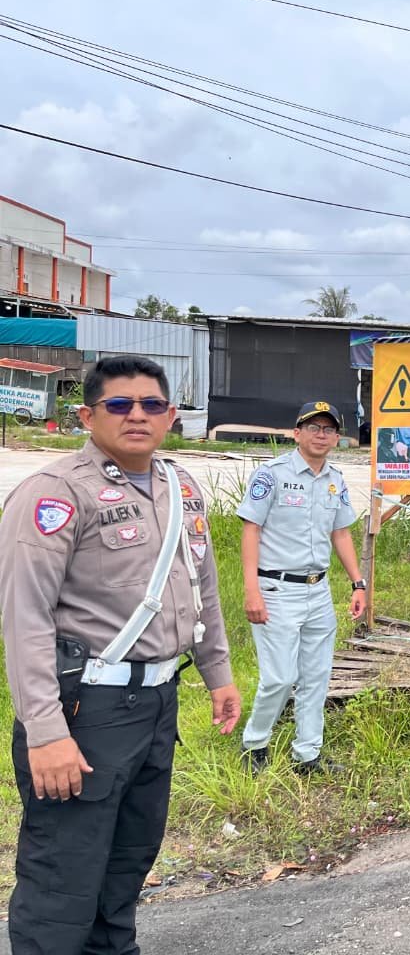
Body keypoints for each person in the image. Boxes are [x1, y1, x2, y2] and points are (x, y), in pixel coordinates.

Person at [0, 355, 241, 953]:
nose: (137, 416)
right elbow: (24, 620)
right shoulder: (54, 493)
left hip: (157, 703)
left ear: (171, 417)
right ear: (88, 415)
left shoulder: (180, 487)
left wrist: (218, 672)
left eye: (151, 405)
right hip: (85, 711)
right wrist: (46, 733)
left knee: (127, 860)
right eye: (119, 405)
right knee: (63, 876)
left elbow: (199, 585)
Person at [238, 401, 367, 774]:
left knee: (316, 678)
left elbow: (340, 532)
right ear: (297, 433)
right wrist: (251, 589)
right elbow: (251, 530)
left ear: (337, 438)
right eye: (313, 427)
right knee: (279, 678)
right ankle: (255, 744)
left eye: (328, 429)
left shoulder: (335, 480)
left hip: (318, 591)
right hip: (276, 590)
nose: (321, 435)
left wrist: (358, 583)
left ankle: (308, 754)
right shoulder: (272, 475)